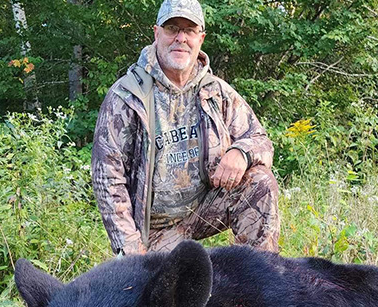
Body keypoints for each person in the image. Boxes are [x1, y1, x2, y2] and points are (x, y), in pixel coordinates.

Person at [92, 0, 280, 255]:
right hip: (154, 232)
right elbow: (107, 179)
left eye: (189, 30)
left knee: (260, 182)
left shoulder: (216, 92)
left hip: (204, 210)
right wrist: (131, 250)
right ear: (157, 33)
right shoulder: (127, 96)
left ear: (200, 39)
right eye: (172, 28)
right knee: (158, 292)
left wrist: (241, 153)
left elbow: (259, 139)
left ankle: (258, 279)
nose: (181, 38)